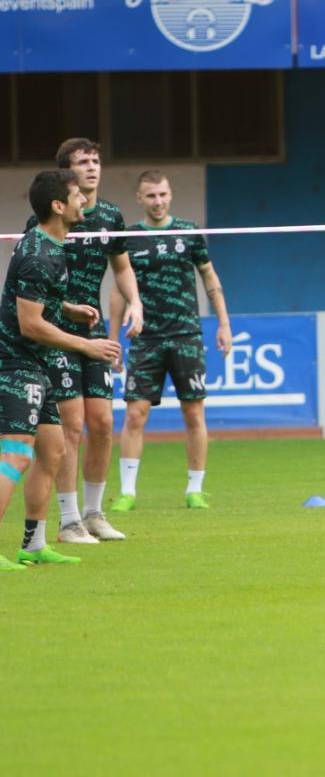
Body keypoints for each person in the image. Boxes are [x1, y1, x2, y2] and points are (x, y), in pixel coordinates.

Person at [23, 138, 143, 544]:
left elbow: (122, 268)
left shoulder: (111, 215)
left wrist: (136, 304)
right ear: (67, 174)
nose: (92, 167)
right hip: (56, 331)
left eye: (96, 160)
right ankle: (68, 519)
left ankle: (94, 514)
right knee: (70, 426)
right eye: (82, 162)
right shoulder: (45, 221)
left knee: (103, 423)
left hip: (92, 331)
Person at [1, 170, 123, 569]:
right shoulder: (38, 253)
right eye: (76, 195)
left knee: (52, 451)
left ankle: (33, 545)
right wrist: (86, 344)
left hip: (35, 362)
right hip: (14, 362)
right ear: (58, 206)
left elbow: (37, 302)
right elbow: (30, 324)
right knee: (16, 455)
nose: (83, 200)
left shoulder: (53, 245)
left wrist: (69, 309)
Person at [109, 171, 233, 511]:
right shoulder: (129, 237)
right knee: (135, 413)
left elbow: (210, 278)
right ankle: (128, 492)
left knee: (194, 413)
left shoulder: (189, 233)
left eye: (163, 194)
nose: (158, 202)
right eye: (151, 196)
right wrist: (112, 338)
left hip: (186, 335)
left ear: (171, 194)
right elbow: (119, 291)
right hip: (145, 338)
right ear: (139, 199)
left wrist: (224, 324)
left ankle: (195, 489)